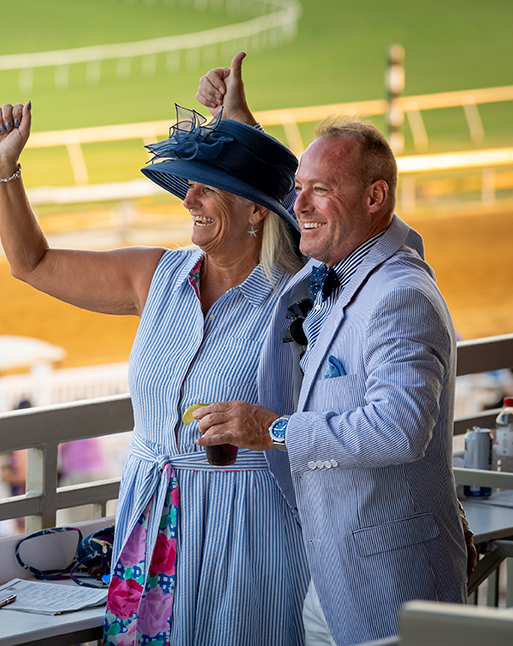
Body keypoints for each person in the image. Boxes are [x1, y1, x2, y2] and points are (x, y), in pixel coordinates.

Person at [0, 93, 309, 644]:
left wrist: (242, 128)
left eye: (207, 187)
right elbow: (31, 263)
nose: (190, 200)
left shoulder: (301, 297)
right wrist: (3, 170)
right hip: (150, 513)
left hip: (250, 530)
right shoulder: (154, 274)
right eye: (190, 185)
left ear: (258, 210)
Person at [193, 53, 468, 646]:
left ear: (376, 198)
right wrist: (235, 120)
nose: (300, 206)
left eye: (321, 190)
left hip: (392, 593)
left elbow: (399, 430)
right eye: (300, 189)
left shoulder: (401, 296)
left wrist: (277, 430)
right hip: (327, 585)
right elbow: (293, 209)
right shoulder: (339, 255)